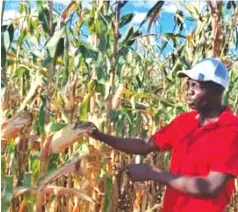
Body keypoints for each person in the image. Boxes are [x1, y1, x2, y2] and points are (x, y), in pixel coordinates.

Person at [89, 58, 238, 212]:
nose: (189, 91)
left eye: (195, 85)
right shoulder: (184, 122)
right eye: (188, 85)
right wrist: (99, 135)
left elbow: (210, 186)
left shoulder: (231, 129)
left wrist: (152, 173)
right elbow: (145, 145)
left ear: (216, 90)